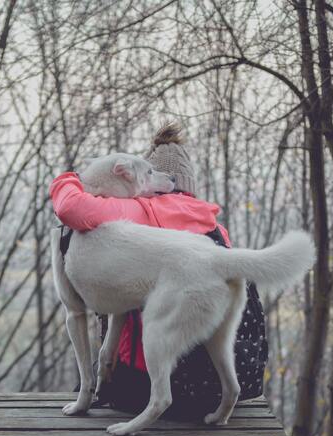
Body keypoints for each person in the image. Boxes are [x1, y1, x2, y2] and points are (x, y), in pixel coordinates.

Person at [49, 123, 267, 420]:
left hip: (139, 391)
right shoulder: (212, 224)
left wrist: (67, 180)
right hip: (221, 384)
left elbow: (73, 209)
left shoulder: (144, 211)